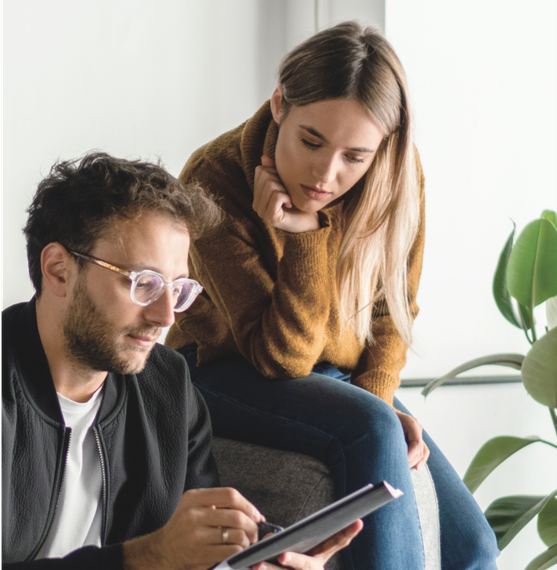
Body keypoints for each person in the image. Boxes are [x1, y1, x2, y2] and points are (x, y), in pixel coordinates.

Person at [166, 21, 499, 569]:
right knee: (369, 427)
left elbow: (394, 311)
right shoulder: (214, 177)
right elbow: (281, 356)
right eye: (311, 141)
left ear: (382, 147)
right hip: (222, 369)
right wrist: (303, 238)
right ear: (279, 104)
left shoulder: (397, 174)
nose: (326, 173)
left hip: (334, 376)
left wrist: (379, 396)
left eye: (355, 157)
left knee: (474, 547)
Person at [1, 152, 362, 570]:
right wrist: (147, 557)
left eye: (178, 289)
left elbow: (197, 556)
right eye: (144, 284)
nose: (166, 317)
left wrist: (251, 562)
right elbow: (158, 557)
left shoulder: (168, 386)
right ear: (59, 270)